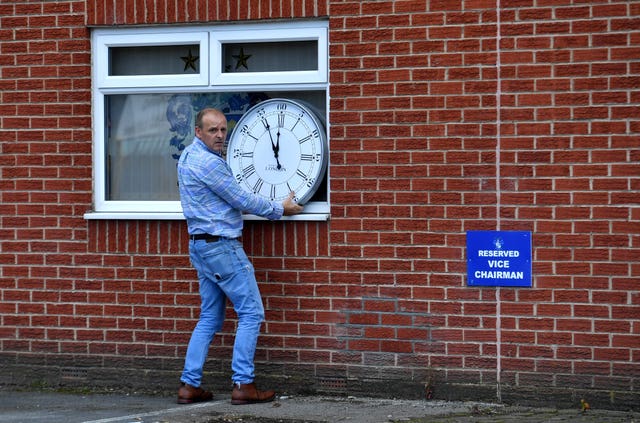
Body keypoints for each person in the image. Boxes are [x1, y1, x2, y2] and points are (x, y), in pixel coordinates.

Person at [176, 108, 303, 405]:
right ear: (198, 132)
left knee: (209, 316)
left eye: (223, 129)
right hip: (221, 248)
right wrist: (280, 209)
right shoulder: (209, 164)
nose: (220, 135)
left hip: (200, 246)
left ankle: (189, 384)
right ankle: (243, 384)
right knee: (251, 313)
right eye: (212, 130)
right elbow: (241, 199)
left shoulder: (186, 157)